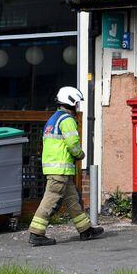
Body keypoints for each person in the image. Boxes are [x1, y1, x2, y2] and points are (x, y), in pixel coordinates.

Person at [29, 87, 103, 246]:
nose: (77, 107)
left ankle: (85, 230)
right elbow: (72, 144)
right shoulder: (67, 120)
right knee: (50, 199)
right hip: (60, 169)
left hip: (56, 169)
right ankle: (36, 233)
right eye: (76, 103)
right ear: (70, 102)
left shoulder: (53, 119)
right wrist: (80, 154)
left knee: (72, 200)